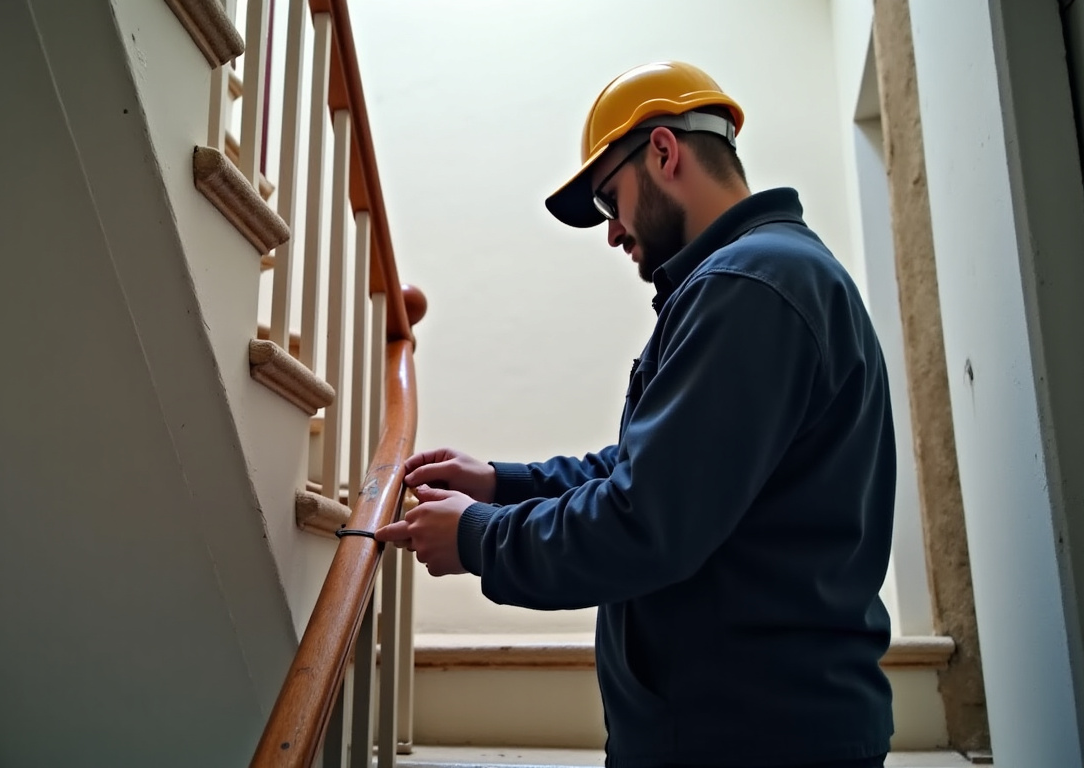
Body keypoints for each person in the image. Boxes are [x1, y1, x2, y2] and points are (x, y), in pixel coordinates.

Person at [374, 61, 897, 768]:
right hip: (746, 726)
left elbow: (644, 522)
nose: (613, 232)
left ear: (663, 151)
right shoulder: (760, 278)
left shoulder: (749, 288)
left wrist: (477, 539)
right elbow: (643, 471)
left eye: (610, 201)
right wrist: (500, 483)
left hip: (750, 738)